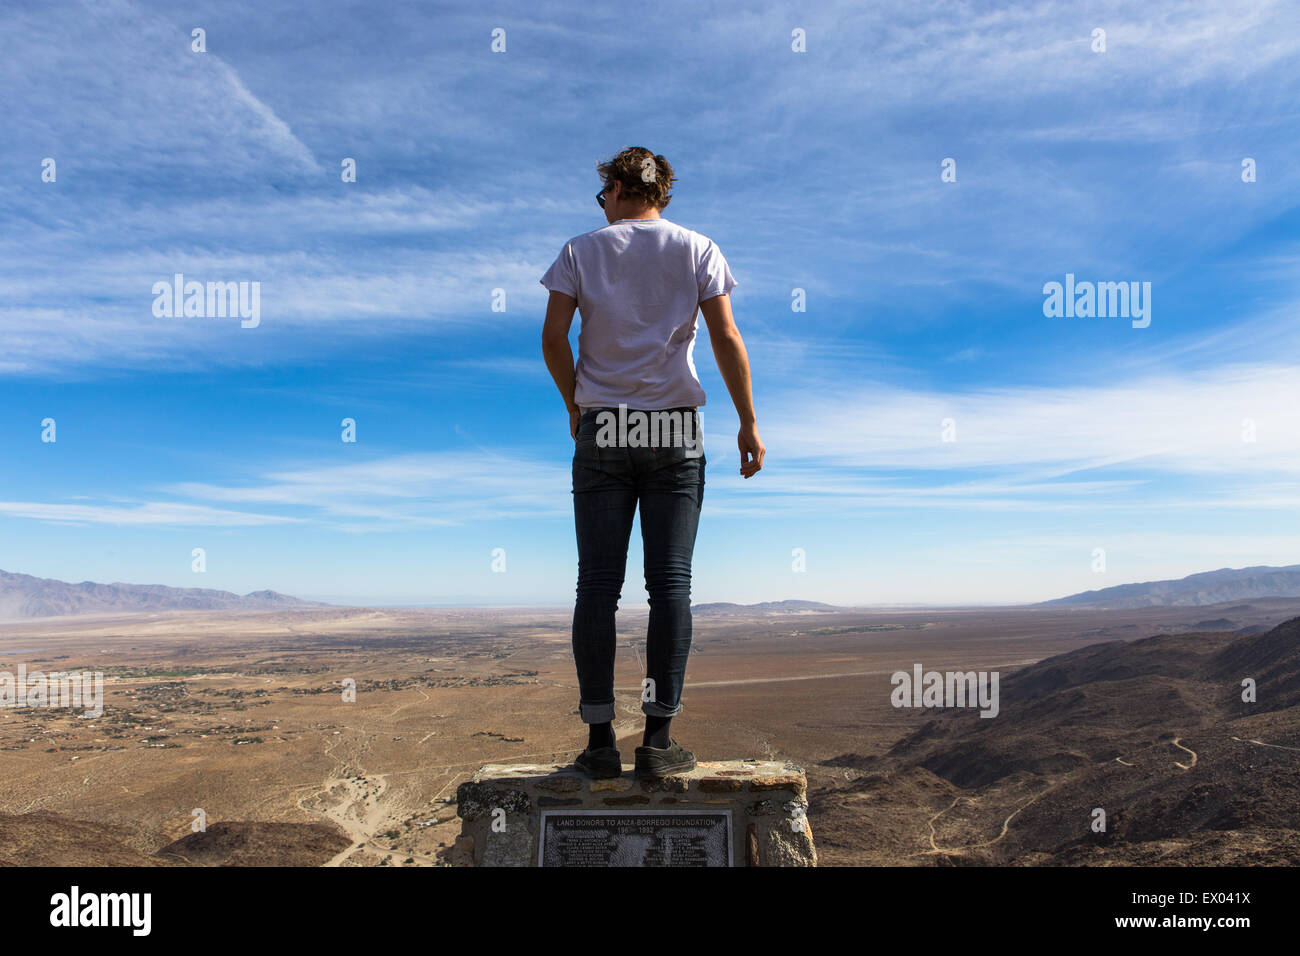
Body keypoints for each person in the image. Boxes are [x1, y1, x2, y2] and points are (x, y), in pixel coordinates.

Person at [541, 146, 764, 779]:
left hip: (605, 427)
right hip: (674, 428)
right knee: (669, 585)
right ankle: (659, 742)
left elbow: (554, 339)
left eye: (603, 191)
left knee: (597, 585)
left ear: (617, 186)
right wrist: (747, 421)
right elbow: (724, 336)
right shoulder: (698, 248)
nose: (602, 203)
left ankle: (600, 742)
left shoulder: (580, 251)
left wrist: (575, 407)